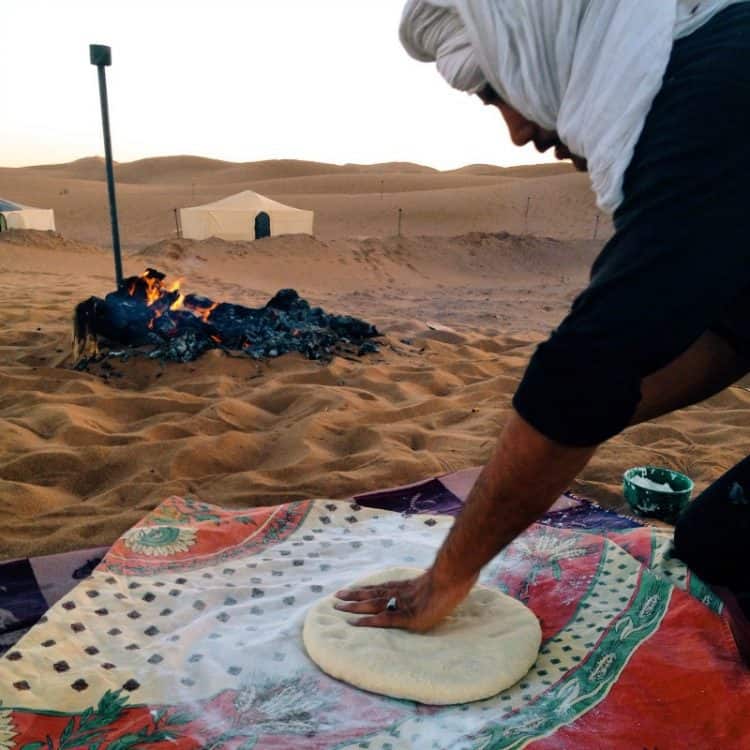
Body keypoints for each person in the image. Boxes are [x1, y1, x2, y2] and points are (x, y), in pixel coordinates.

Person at [334, 0, 750, 666]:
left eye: (497, 91)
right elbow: (734, 330)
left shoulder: (720, 92)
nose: (518, 130)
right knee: (716, 544)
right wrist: (581, 418)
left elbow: (591, 361)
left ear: (552, 32)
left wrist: (446, 578)